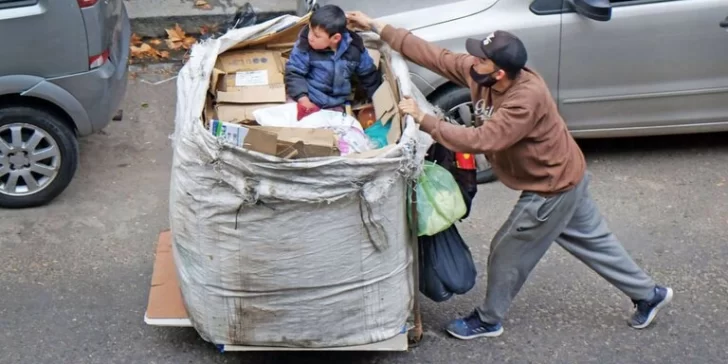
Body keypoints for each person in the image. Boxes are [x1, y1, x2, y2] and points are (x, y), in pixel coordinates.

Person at [346, 11, 673, 340]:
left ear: (499, 72)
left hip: (550, 187)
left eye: (481, 58)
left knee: (506, 252)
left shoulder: (524, 100)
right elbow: (438, 56)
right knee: (596, 243)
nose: (473, 60)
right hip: (567, 174)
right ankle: (650, 294)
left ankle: (488, 320)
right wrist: (377, 26)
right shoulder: (482, 74)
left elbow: (481, 140)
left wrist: (424, 119)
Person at [285, 5, 382, 119]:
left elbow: (369, 76)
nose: (310, 37)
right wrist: (303, 100)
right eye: (310, 29)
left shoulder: (355, 48)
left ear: (335, 38)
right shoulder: (304, 45)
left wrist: (375, 103)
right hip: (308, 98)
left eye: (316, 35)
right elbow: (294, 73)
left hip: (336, 105)